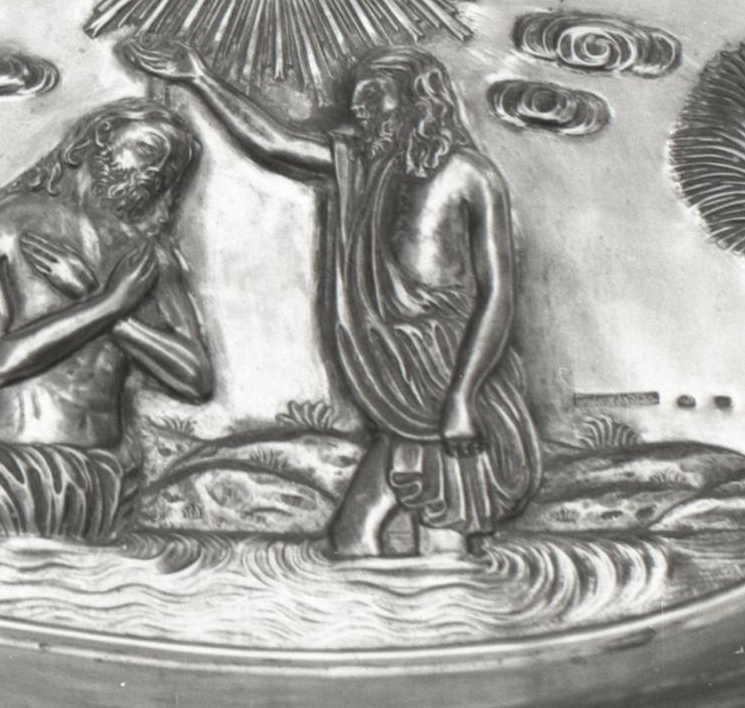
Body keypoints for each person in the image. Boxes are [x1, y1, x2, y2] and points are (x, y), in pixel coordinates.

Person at [124, 39, 538, 557]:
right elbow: (275, 144)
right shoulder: (363, 163)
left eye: (374, 97)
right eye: (359, 98)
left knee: (443, 543)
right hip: (399, 386)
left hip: (448, 371)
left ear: (417, 100)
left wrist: (462, 396)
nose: (360, 109)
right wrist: (200, 79)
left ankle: (446, 604)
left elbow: (497, 295)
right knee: (352, 537)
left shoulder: (469, 175)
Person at [0, 101, 210, 541]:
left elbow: (195, 377)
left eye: (170, 169)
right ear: (96, 141)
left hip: (105, 479)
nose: (156, 173)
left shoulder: (149, 254)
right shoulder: (4, 227)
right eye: (148, 150)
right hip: (0, 471)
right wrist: (111, 303)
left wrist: (103, 303)